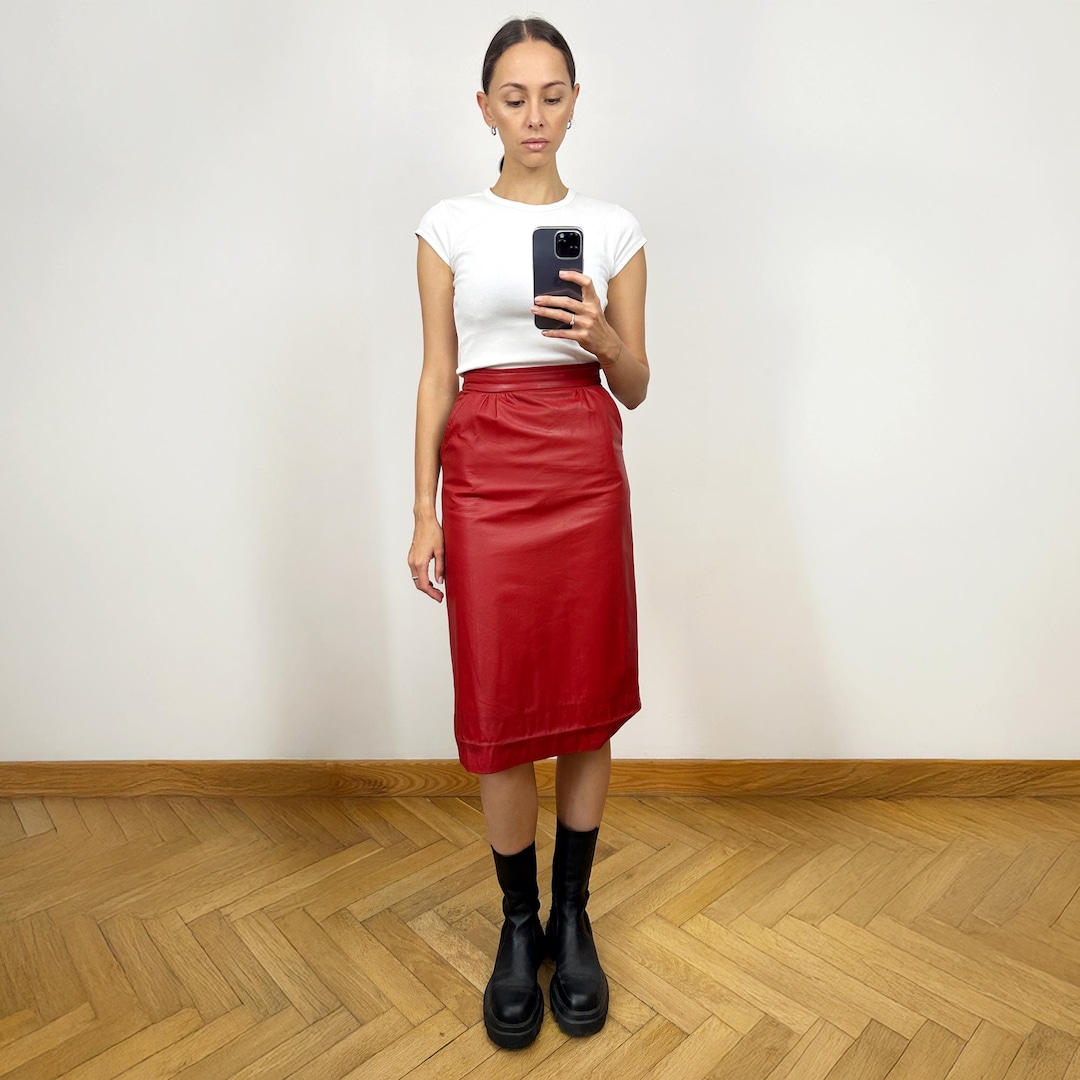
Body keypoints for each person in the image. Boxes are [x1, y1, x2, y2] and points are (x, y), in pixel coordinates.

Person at [408, 16, 649, 1050]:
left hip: (584, 469)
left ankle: (573, 914)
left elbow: (636, 386)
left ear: (576, 100)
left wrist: (602, 336)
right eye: (514, 96)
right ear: (483, 108)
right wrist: (421, 507)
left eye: (552, 94)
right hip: (486, 474)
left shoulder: (616, 226)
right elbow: (435, 372)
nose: (534, 115)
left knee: (586, 703)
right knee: (501, 704)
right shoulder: (447, 225)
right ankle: (518, 925)